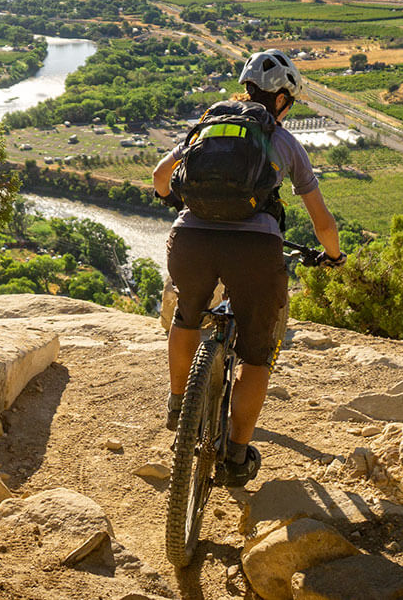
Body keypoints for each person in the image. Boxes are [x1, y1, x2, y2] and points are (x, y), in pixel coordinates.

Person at [151, 49, 345, 487]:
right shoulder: (283, 140)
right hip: (256, 250)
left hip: (191, 241)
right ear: (281, 101)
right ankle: (237, 454)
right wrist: (333, 257)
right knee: (257, 354)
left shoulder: (208, 125)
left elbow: (161, 177)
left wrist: (174, 203)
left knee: (186, 315)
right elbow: (323, 222)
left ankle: (178, 404)